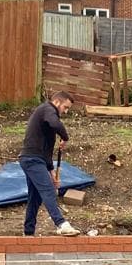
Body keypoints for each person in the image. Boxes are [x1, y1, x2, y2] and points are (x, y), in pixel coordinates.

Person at [19, 91, 81, 237]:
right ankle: (61, 224)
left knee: (34, 198)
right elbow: (55, 123)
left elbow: (46, 151)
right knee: (48, 191)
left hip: (35, 159)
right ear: (57, 102)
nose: (65, 112)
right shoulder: (48, 109)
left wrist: (51, 172)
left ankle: (28, 233)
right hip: (31, 159)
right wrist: (65, 137)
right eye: (65, 107)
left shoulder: (47, 119)